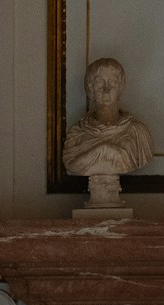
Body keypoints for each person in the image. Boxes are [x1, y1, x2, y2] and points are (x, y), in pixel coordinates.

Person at [61, 55, 154, 205]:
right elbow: (71, 162)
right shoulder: (77, 134)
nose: (106, 89)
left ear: (120, 88)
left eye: (112, 82)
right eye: (99, 83)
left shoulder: (138, 132)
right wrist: (105, 149)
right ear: (90, 89)